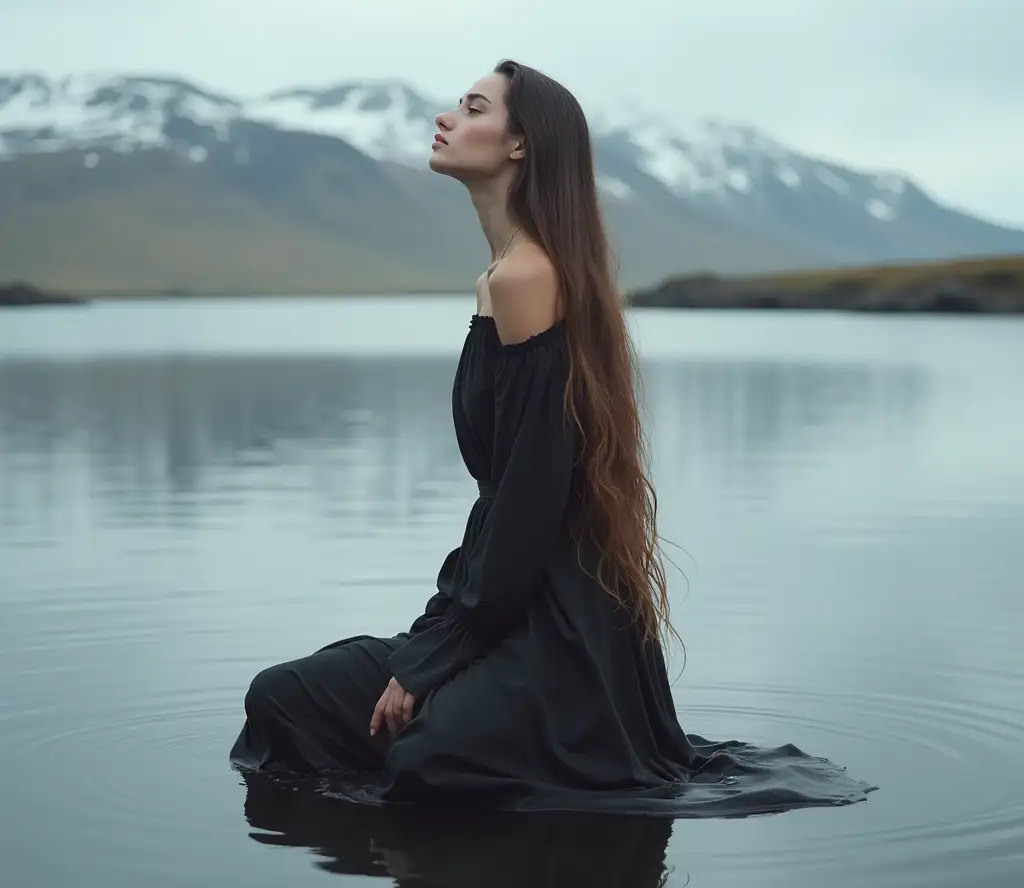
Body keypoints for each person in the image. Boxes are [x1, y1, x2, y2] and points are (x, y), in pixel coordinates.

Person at [229, 59, 875, 816]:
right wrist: (438, 638)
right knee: (284, 698)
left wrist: (436, 656)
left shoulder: (527, 278)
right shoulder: (503, 275)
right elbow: (507, 498)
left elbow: (533, 498)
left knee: (427, 762)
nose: (446, 118)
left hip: (559, 630)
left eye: (472, 108)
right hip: (501, 598)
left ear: (519, 146)